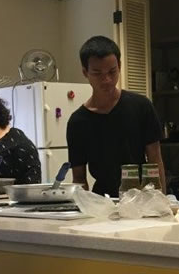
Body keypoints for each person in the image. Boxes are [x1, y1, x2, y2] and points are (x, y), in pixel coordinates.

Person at [67, 35, 165, 197]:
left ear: (119, 66)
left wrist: (162, 203)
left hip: (141, 198)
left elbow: (156, 161)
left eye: (112, 72)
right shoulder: (78, 122)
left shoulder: (141, 106)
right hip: (102, 200)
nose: (106, 80)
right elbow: (79, 178)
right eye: (97, 73)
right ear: (85, 72)